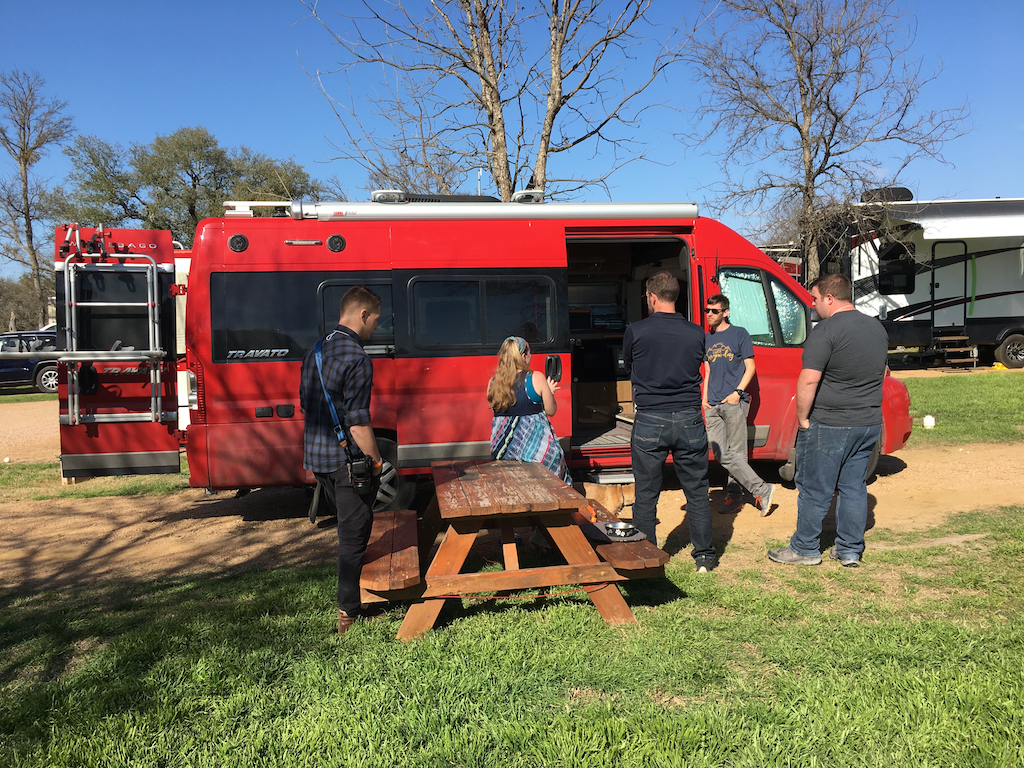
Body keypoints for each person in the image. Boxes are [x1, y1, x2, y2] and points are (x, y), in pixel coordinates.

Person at [768, 274, 888, 568]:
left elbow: (808, 381)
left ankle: (805, 548)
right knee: (854, 486)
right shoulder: (876, 328)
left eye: (814, 298)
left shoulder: (826, 330)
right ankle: (849, 550)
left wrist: (802, 419)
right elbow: (883, 371)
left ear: (830, 298)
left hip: (832, 422)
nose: (813, 304)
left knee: (814, 487)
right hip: (868, 422)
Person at [300, 286, 385, 635]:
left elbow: (307, 406)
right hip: (349, 461)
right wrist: (377, 461)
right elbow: (359, 422)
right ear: (363, 314)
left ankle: (354, 599)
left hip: (319, 458)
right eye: (376, 321)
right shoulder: (357, 357)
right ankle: (348, 613)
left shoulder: (315, 350)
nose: (376, 328)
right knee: (354, 536)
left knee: (346, 530)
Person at [623, 271, 715, 572]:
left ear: (652, 297)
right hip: (689, 417)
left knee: (646, 493)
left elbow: (630, 367)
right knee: (697, 490)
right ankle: (704, 556)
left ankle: (647, 556)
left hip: (650, 417)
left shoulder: (636, 331)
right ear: (676, 296)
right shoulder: (697, 332)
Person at [701, 293, 776, 516]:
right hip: (713, 404)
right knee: (721, 452)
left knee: (736, 452)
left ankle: (735, 496)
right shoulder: (707, 338)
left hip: (734, 401)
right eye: (708, 311)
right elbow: (708, 370)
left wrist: (737, 393)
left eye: (714, 311)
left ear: (726, 312)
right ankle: (761, 488)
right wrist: (705, 399)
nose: (710, 315)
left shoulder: (739, 334)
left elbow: (750, 367)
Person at [487, 335, 571, 484]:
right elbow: (551, 411)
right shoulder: (535, 378)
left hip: (504, 453)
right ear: (523, 356)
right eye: (530, 352)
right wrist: (550, 392)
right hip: (537, 456)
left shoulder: (493, 383)